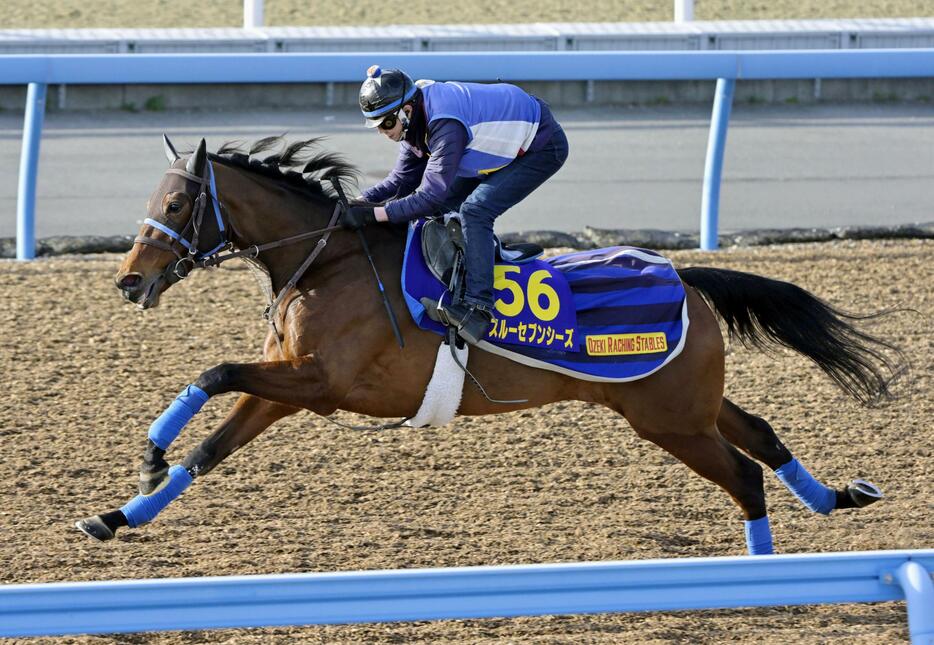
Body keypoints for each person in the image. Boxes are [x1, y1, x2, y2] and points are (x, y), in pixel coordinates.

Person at [342, 65, 569, 345]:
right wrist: (358, 202)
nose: (382, 132)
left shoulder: (444, 124)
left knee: (474, 212)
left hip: (540, 147)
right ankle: (460, 277)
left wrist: (373, 215)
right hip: (498, 142)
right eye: (375, 125)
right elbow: (401, 181)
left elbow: (427, 197)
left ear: (406, 110)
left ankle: (479, 306)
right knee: (446, 207)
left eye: (386, 123)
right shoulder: (415, 119)